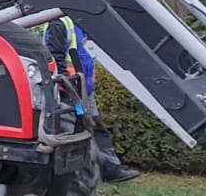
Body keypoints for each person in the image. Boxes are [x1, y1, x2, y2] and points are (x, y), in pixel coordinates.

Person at [43, 15, 141, 183]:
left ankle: (110, 169)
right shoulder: (59, 24)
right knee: (80, 129)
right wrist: (69, 85)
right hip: (69, 92)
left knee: (94, 126)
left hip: (84, 91)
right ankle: (87, 172)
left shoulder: (80, 24)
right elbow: (54, 58)